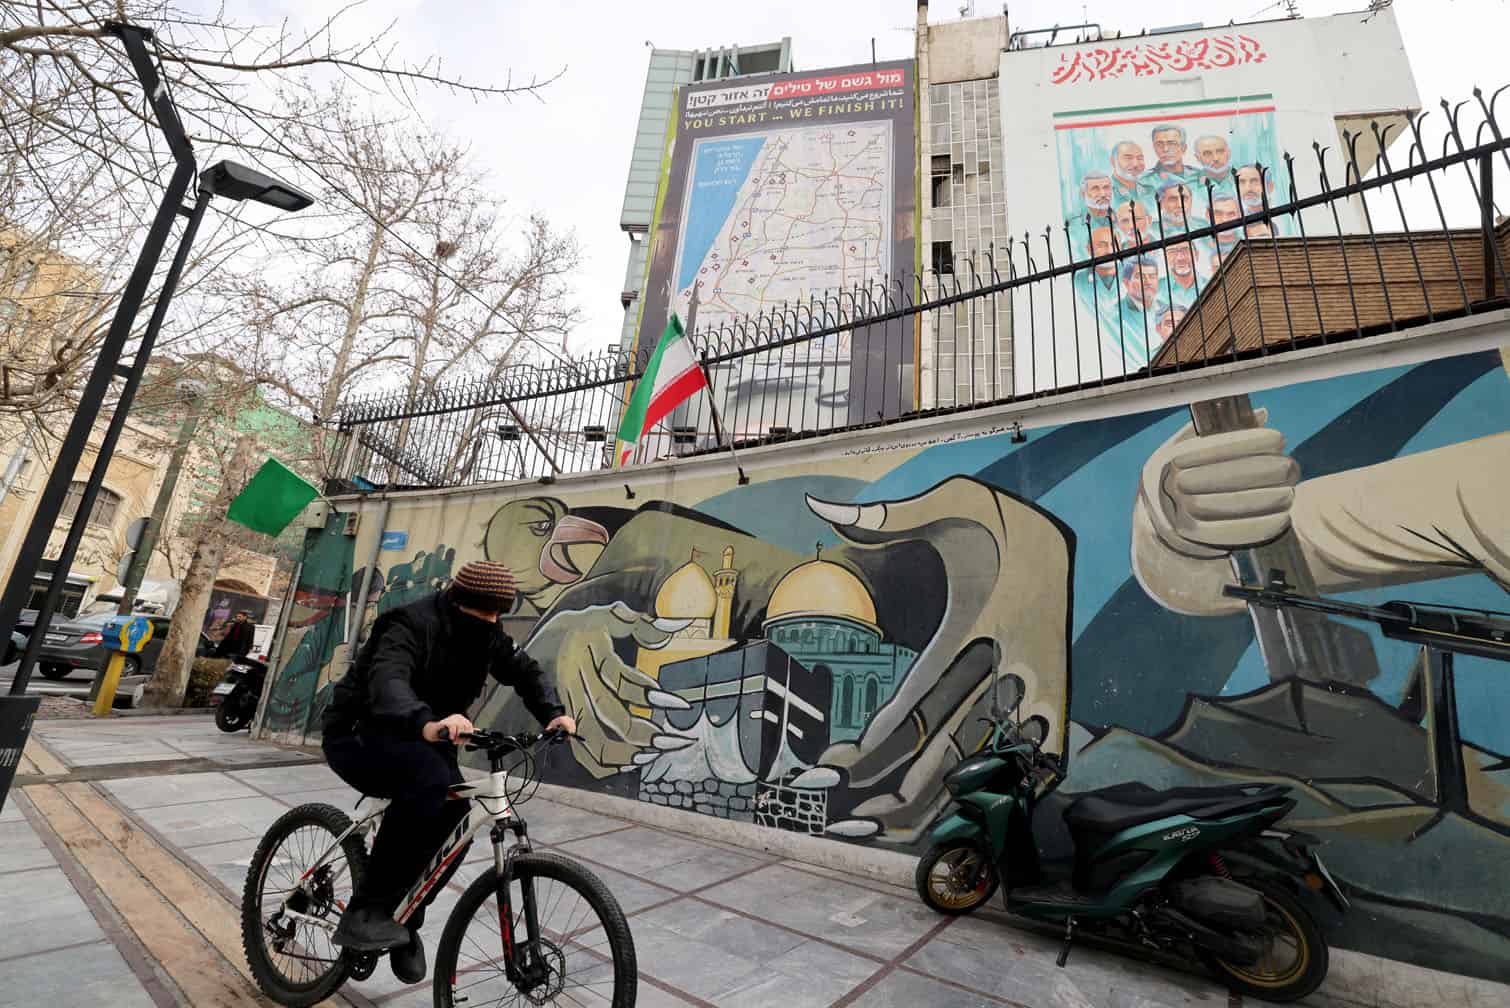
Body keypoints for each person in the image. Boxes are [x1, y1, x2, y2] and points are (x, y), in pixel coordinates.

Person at [320, 560, 576, 983]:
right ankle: (366, 911)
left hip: (428, 737)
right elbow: (388, 681)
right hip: (362, 732)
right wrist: (424, 720)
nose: (491, 625)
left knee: (456, 811)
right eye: (483, 616)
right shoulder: (408, 624)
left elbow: (524, 671)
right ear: (458, 603)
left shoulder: (488, 633)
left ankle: (404, 918)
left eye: (497, 617)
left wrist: (553, 714)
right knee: (428, 786)